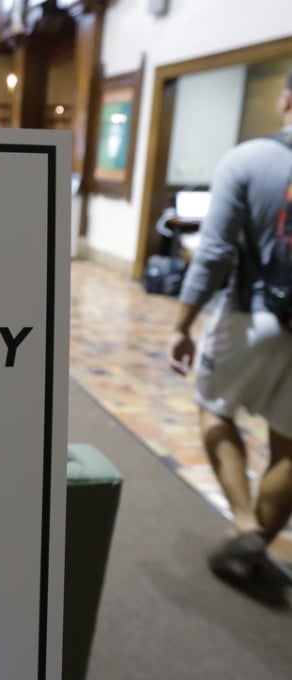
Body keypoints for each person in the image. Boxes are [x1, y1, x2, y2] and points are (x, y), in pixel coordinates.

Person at [168, 68, 292, 583]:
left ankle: (244, 525)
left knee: (214, 410)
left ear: (286, 99)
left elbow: (214, 252)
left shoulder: (249, 160)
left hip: (252, 316)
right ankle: (256, 547)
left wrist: (183, 323)